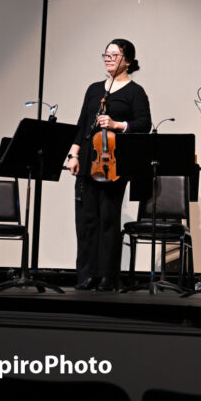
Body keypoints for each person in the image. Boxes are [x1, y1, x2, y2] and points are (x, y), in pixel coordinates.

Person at [65, 39, 151, 291]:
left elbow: (144, 124)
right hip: (87, 159)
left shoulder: (135, 92)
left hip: (114, 162)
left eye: (115, 55)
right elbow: (82, 124)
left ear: (129, 61)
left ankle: (107, 276)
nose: (109, 58)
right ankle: (86, 275)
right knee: (87, 219)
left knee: (108, 220)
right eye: (107, 54)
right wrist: (73, 155)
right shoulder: (94, 89)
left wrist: (117, 125)